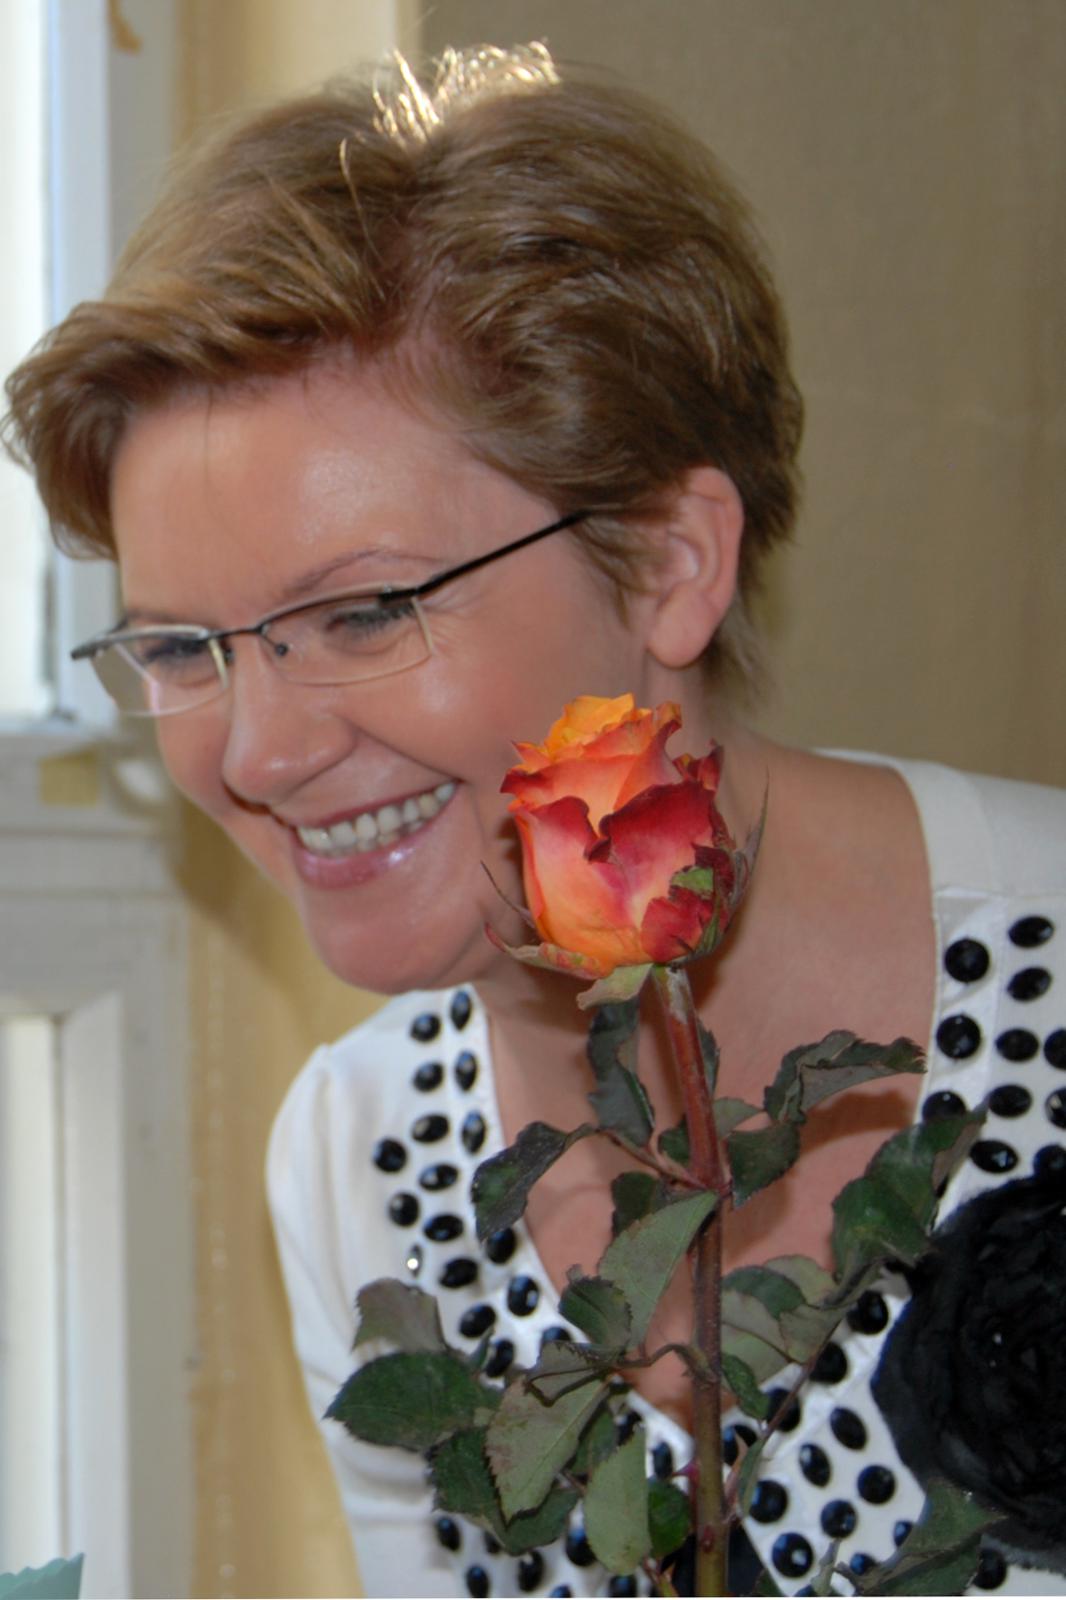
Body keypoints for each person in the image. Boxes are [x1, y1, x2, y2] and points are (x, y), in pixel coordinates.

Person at [5, 43, 1065, 1600]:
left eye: (364, 612)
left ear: (668, 564)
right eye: (179, 647)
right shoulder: (366, 1161)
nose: (258, 750)